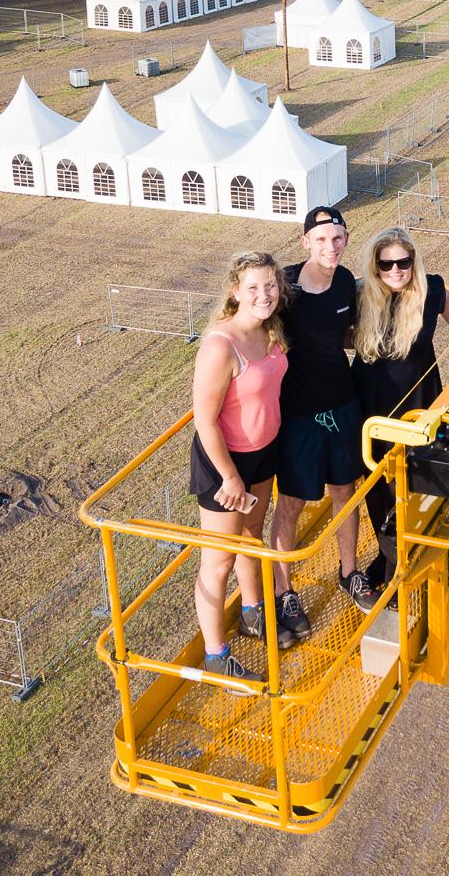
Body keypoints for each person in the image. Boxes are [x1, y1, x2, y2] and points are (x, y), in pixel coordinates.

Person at [189, 251, 288, 691]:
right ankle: (216, 657)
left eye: (270, 286)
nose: (264, 295)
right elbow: (204, 420)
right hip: (225, 464)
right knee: (218, 561)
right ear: (235, 291)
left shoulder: (271, 328)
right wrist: (229, 477)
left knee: (253, 535)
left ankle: (252, 612)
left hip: (263, 454)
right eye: (253, 288)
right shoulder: (219, 346)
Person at [272, 205, 376, 627]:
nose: (329, 247)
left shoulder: (346, 281)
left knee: (345, 491)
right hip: (298, 415)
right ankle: (284, 592)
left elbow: (346, 333)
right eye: (320, 240)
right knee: (292, 502)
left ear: (346, 240)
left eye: (336, 239)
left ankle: (348, 572)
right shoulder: (285, 289)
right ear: (304, 243)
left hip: (342, 405)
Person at [351, 226, 449, 588]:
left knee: (421, 482)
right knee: (379, 486)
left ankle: (424, 551)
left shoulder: (432, 290)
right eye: (387, 264)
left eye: (404, 262)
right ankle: (391, 561)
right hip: (372, 410)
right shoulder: (360, 295)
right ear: (375, 266)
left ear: (415, 262)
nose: (396, 270)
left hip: (419, 405)